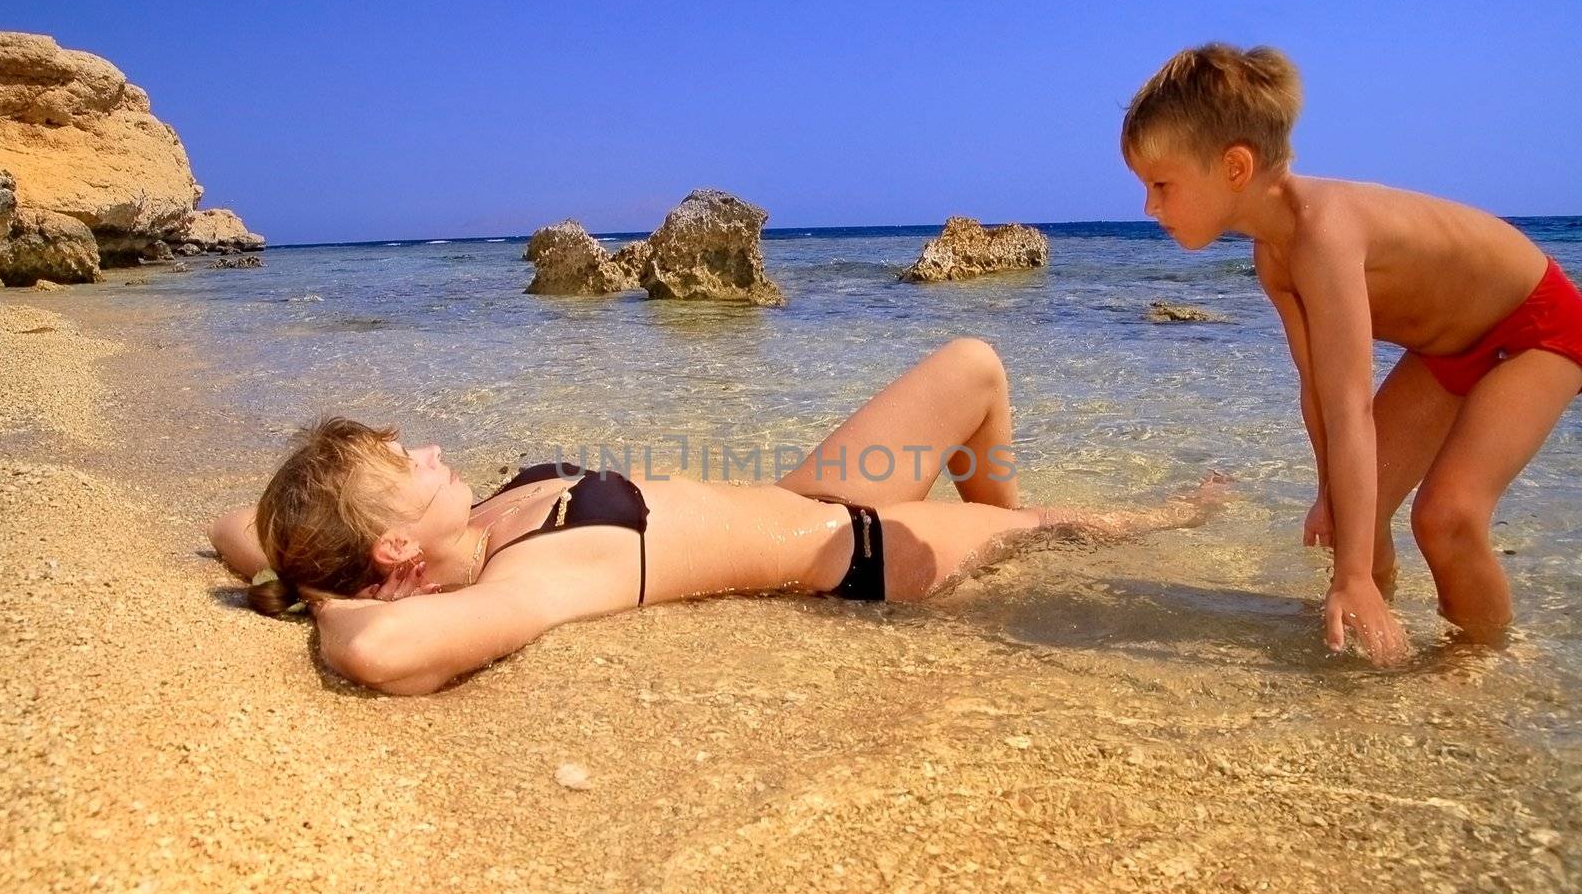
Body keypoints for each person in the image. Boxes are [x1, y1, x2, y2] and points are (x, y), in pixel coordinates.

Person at [211, 338, 1221, 695]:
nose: (426, 450)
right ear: (393, 544)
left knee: (972, 365)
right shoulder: (537, 578)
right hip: (850, 552)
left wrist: (294, 576)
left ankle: (1011, 526)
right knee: (1092, 529)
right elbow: (385, 648)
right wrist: (326, 606)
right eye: (403, 462)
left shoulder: (473, 521)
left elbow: (237, 525)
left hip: (813, 494)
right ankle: (1156, 518)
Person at [1122, 43, 1582, 665]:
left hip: (1536, 327)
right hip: (1447, 352)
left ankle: (1484, 661)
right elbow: (1317, 390)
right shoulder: (1272, 254)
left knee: (1445, 517)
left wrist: (1353, 572)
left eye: (1160, 185)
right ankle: (1373, 648)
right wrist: (1327, 493)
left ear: (1234, 168)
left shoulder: (1324, 233)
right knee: (1349, 516)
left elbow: (1350, 408)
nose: (1149, 207)